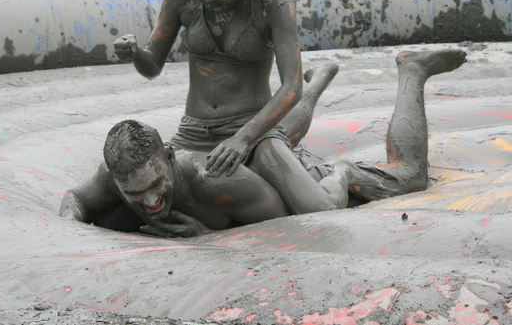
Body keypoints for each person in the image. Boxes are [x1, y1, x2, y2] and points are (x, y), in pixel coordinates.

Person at [60, 49, 468, 237]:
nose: (150, 201)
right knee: (277, 140)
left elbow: (291, 225)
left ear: (169, 157)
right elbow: (74, 202)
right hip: (260, 150)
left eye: (155, 185)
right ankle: (317, 84)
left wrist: (206, 234)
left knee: (409, 178)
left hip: (298, 176)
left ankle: (413, 71)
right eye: (134, 193)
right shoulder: (114, 176)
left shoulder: (217, 184)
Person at [113, 0, 321, 216]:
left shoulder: (273, 3)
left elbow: (292, 87)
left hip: (253, 130)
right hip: (193, 131)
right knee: (133, 207)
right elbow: (152, 67)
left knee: (315, 206)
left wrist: (243, 139)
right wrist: (135, 53)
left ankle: (343, 172)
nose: (209, 2)